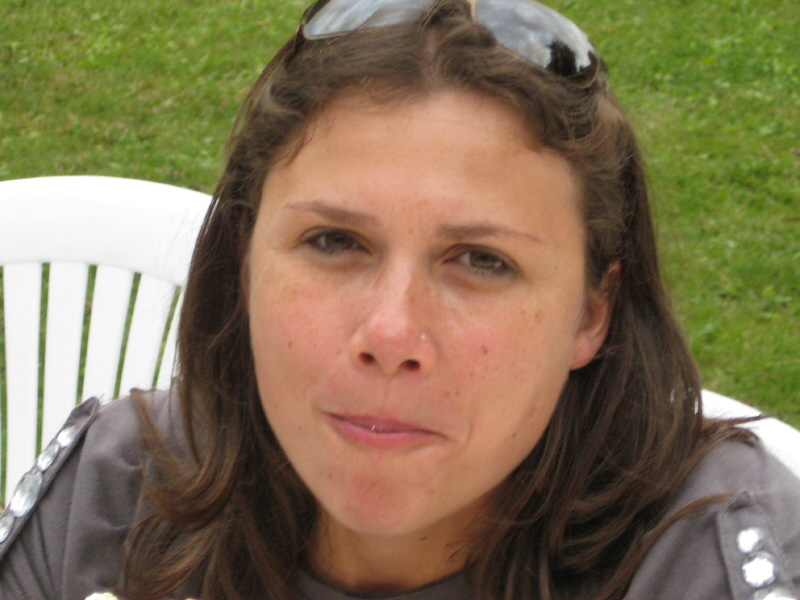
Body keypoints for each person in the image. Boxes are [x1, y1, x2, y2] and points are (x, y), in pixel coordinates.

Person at [0, 0, 798, 599]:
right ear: (245, 260)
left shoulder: (701, 558)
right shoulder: (115, 498)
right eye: (334, 242)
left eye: (481, 261)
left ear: (593, 313)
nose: (390, 332)